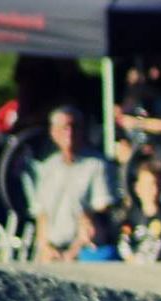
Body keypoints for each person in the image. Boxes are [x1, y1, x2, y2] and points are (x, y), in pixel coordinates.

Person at [30, 106, 115, 263]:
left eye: (74, 127)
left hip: (85, 250)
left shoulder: (96, 165)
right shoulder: (47, 168)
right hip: (52, 250)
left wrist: (74, 251)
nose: (69, 133)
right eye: (64, 128)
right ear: (53, 132)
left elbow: (99, 214)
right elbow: (41, 214)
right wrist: (44, 247)